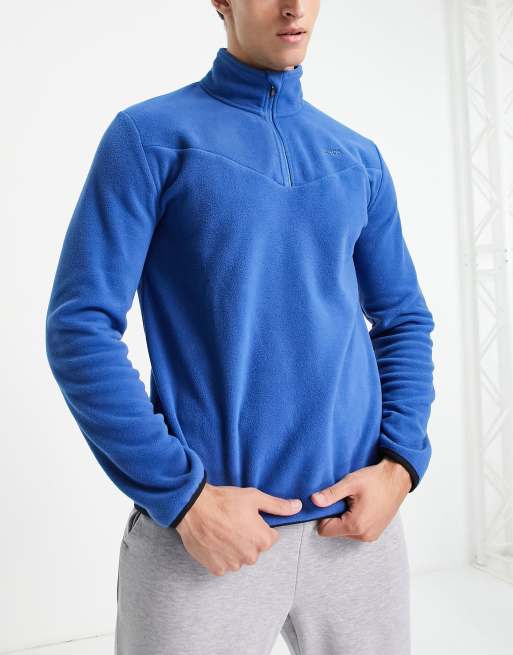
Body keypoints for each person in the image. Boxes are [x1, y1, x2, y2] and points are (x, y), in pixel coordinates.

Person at [45, 1, 436, 653]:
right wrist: (184, 497)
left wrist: (399, 465)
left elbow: (402, 320)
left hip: (353, 534)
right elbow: (79, 327)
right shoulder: (150, 137)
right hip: (204, 537)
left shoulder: (356, 157)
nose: (293, 7)